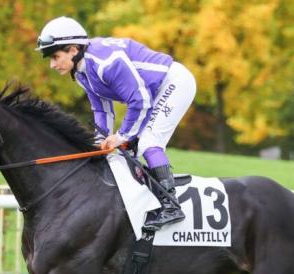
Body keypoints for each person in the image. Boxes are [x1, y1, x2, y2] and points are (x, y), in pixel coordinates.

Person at [35, 16, 197, 230]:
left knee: (148, 143)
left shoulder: (105, 64)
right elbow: (102, 110)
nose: (52, 64)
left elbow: (139, 100)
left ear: (73, 50)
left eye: (55, 56)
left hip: (174, 83)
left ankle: (171, 205)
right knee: (125, 151)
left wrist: (122, 136)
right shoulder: (82, 72)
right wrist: (101, 141)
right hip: (153, 92)